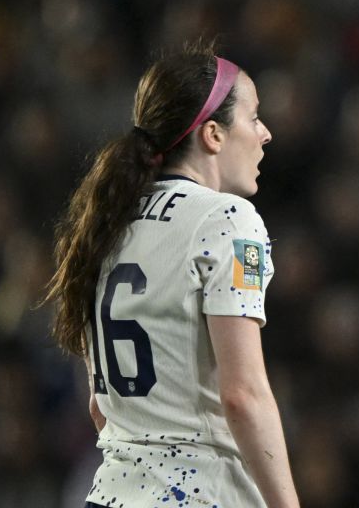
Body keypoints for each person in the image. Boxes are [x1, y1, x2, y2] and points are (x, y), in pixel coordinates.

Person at [42, 44, 300, 508]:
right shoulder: (228, 220)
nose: (266, 133)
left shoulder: (107, 220)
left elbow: (100, 409)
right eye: (254, 117)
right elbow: (242, 396)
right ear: (214, 135)